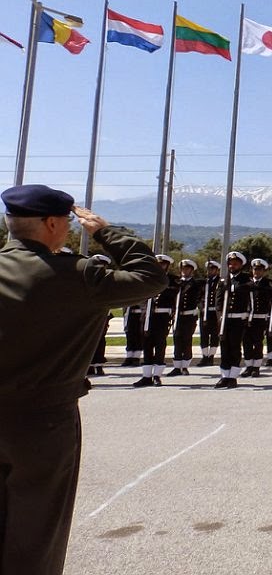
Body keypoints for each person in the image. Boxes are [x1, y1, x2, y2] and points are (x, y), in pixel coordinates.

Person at [0, 184, 166, 575]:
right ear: (53, 223)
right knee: (36, 530)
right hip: (42, 422)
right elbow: (151, 277)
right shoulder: (79, 276)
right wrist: (106, 232)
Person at [133, 254, 177, 388]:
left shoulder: (172, 280)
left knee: (159, 345)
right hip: (147, 317)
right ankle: (146, 376)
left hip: (162, 318)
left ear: (167, 266)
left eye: (163, 264)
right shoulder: (147, 278)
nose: (160, 266)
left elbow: (173, 297)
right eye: (158, 264)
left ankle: (157, 375)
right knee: (146, 345)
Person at [216, 251, 251, 389]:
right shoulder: (223, 280)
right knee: (224, 348)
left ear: (241, 265)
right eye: (230, 263)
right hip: (225, 320)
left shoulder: (246, 280)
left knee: (235, 348)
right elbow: (218, 302)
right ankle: (224, 376)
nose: (232, 265)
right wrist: (219, 319)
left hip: (238, 319)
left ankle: (233, 376)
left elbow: (250, 298)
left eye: (235, 263)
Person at [168, 258, 203, 376]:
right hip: (178, 316)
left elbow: (200, 296)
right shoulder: (177, 283)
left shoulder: (196, 284)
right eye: (183, 268)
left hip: (189, 316)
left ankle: (185, 366)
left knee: (187, 340)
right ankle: (177, 366)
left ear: (192, 271)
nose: (184, 270)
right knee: (177, 340)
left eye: (187, 268)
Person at [197, 260, 223, 366]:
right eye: (209, 269)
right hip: (205, 312)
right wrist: (201, 307)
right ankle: (204, 356)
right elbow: (198, 298)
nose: (210, 271)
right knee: (204, 334)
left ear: (217, 270)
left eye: (212, 269)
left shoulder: (220, 282)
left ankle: (211, 356)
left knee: (214, 335)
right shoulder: (204, 282)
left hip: (214, 313)